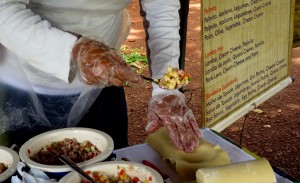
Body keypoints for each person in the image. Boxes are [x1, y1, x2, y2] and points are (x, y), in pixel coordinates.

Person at [0, 0, 202, 152]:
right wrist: (75, 51)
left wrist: (166, 86)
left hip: (104, 75)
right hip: (25, 79)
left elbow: (161, 5)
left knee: (108, 178)